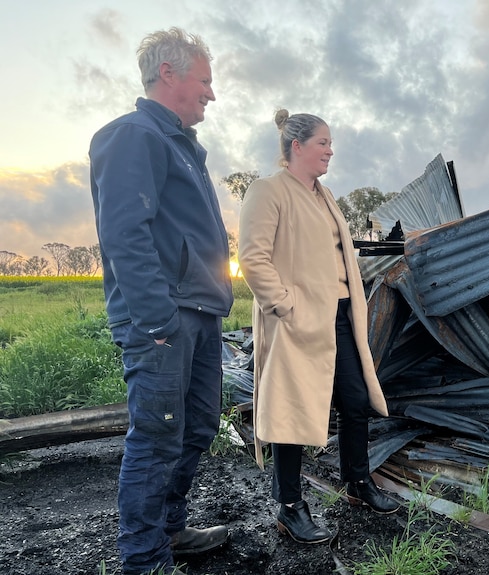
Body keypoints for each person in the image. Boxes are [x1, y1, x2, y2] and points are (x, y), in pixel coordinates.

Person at [89, 27, 234, 575]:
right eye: (205, 81)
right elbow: (125, 233)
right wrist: (156, 320)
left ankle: (170, 529)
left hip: (198, 310)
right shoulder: (131, 135)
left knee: (197, 426)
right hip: (163, 319)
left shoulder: (182, 144)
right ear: (168, 73)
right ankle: (143, 557)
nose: (211, 94)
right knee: (156, 434)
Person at [238, 110, 399, 544]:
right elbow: (253, 258)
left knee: (354, 399)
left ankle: (357, 483)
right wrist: (287, 307)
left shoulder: (324, 196)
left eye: (330, 143)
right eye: (323, 142)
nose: (330, 150)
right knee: (291, 410)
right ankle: (290, 507)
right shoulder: (268, 191)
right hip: (297, 321)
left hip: (341, 315)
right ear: (297, 146)